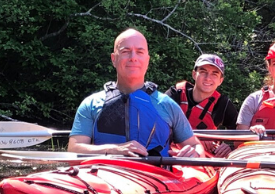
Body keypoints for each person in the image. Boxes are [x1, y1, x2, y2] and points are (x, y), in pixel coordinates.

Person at [68, 29, 204, 158]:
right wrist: (113, 150)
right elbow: (74, 148)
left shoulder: (166, 104)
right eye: (126, 51)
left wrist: (195, 152)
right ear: (113, 59)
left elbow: (195, 145)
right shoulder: (91, 104)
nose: (133, 58)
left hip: (155, 178)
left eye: (139, 52)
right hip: (103, 176)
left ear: (147, 60)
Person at [166, 54, 238, 157]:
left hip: (203, 159)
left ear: (220, 80)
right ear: (194, 74)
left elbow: (240, 132)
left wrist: (229, 146)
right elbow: (155, 123)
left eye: (214, 74)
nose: (208, 78)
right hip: (171, 154)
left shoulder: (222, 103)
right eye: (203, 72)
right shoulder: (175, 94)